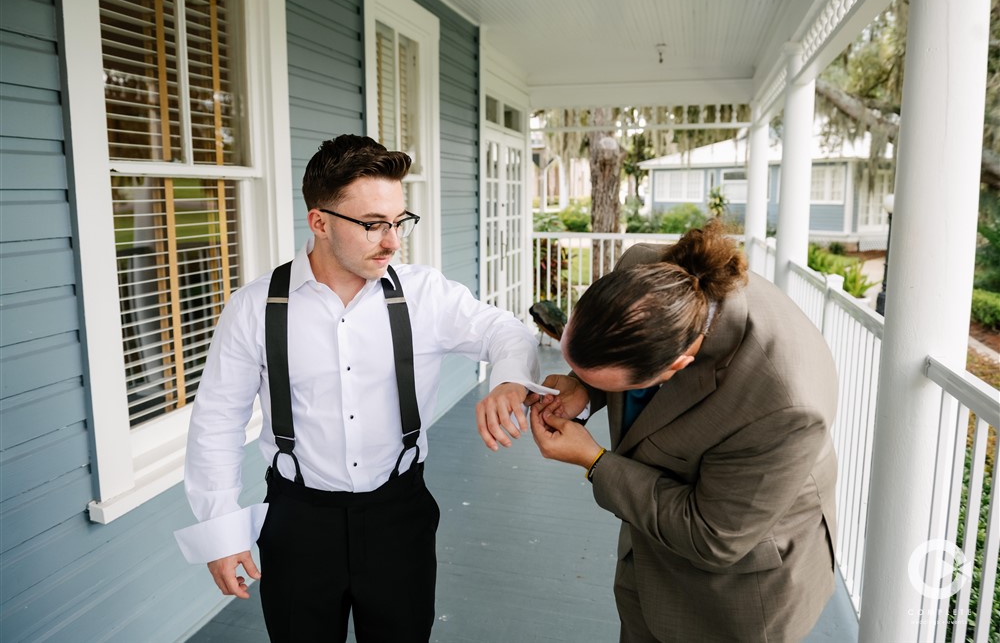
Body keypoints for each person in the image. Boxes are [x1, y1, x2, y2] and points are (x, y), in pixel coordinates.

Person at [175, 134, 540, 642]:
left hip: (400, 516)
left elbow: (508, 332)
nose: (392, 241)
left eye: (398, 222)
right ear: (319, 222)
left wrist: (506, 382)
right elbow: (216, 420)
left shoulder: (424, 294)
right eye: (372, 225)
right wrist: (221, 529)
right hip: (296, 521)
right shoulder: (254, 307)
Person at [529, 220, 838, 642]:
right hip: (650, 551)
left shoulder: (784, 405)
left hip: (736, 592)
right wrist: (582, 387)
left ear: (673, 370)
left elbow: (712, 536)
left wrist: (594, 461)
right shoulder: (641, 270)